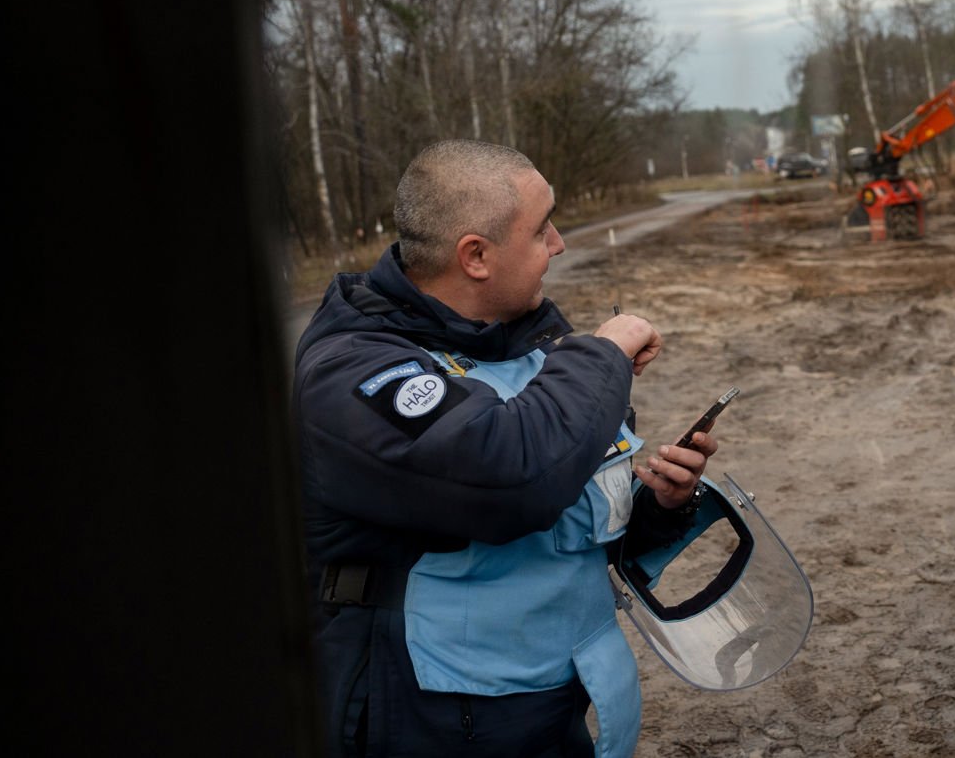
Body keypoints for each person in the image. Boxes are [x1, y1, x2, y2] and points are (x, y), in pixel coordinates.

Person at [294, 140, 715, 758]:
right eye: (542, 227)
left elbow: (570, 526)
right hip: (432, 718)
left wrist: (661, 503)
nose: (560, 243)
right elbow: (511, 478)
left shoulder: (531, 344)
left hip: (552, 699)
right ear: (476, 256)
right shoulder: (353, 370)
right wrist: (602, 355)